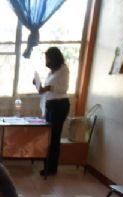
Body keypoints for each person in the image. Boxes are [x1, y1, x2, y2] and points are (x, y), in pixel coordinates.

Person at [38, 47, 70, 177]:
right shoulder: (51, 72)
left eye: (48, 58)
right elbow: (47, 90)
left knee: (54, 137)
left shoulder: (64, 70)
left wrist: (48, 87)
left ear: (55, 58)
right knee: (49, 137)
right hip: (50, 105)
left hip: (59, 106)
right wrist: (39, 86)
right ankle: (48, 166)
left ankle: (52, 168)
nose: (47, 61)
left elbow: (63, 88)